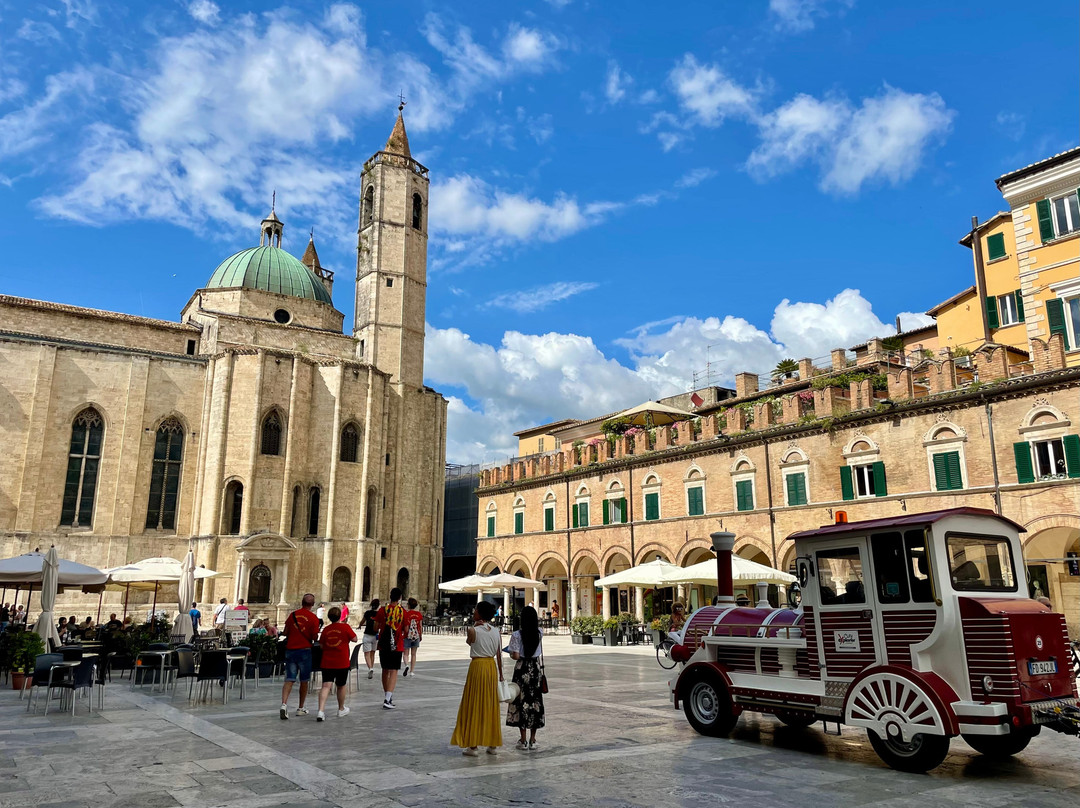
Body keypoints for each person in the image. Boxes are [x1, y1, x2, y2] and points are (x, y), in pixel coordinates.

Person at [450, 600, 503, 756]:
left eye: (475, 610)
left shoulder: (472, 630)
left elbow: (469, 642)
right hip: (491, 667)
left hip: (477, 667)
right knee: (490, 703)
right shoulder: (496, 631)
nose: (473, 613)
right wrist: (501, 673)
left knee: (474, 703)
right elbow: (499, 654)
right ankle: (492, 744)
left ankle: (473, 746)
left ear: (480, 613)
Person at [506, 605, 545, 751]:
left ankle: (522, 740)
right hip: (534, 669)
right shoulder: (540, 632)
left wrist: (510, 653)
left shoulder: (517, 635)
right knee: (534, 702)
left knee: (520, 701)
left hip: (522, 669)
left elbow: (515, 655)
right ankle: (533, 739)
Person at [279, 594, 320, 720]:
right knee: (304, 680)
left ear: (302, 602)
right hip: (305, 651)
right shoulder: (314, 618)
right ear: (312, 604)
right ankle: (301, 707)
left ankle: (284, 704)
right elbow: (314, 637)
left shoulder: (293, 615)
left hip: (291, 649)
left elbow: (285, 632)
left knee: (289, 679)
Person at [316, 606, 357, 721]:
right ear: (340, 616)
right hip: (341, 662)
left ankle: (321, 711)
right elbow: (354, 639)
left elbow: (321, 645)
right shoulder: (345, 627)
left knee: (325, 686)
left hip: (327, 662)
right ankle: (341, 708)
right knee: (341, 685)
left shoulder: (326, 629)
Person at [375, 589, 405, 709]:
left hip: (384, 644)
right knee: (394, 671)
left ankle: (387, 695)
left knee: (385, 670)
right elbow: (406, 630)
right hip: (397, 645)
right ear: (400, 598)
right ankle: (388, 698)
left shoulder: (382, 610)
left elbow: (375, 627)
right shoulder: (402, 612)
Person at [358, 599, 379, 680]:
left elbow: (363, 621)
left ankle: (370, 668)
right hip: (375, 636)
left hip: (367, 635)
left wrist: (360, 625)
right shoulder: (378, 614)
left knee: (367, 654)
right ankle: (371, 667)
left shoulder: (367, 613)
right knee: (372, 654)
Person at [402, 597, 423, 677]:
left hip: (408, 635)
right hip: (416, 635)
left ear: (408, 605)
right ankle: (411, 671)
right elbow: (420, 626)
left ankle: (406, 665)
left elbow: (406, 626)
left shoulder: (406, 614)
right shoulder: (419, 614)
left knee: (405, 653)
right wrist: (420, 635)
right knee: (413, 654)